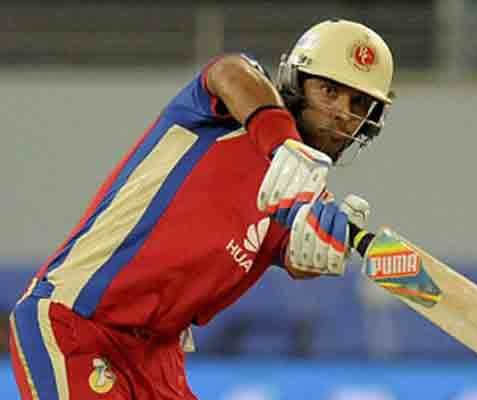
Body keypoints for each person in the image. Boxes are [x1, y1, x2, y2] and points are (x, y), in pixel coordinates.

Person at [8, 19, 394, 399]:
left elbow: (299, 258)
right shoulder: (233, 108)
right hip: (77, 325)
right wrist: (283, 142)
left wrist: (326, 241)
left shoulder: (302, 195)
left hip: (158, 360)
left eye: (359, 103)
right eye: (329, 91)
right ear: (296, 82)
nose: (342, 113)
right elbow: (228, 71)